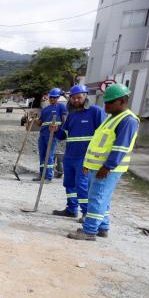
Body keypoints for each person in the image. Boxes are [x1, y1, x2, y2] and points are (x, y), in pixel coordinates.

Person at [67, 84, 139, 241]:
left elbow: (120, 148)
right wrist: (88, 164)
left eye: (109, 102)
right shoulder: (112, 118)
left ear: (121, 101)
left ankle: (89, 231)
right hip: (97, 166)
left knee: (96, 198)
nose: (105, 105)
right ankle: (102, 227)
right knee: (102, 198)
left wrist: (107, 167)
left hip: (107, 169)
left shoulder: (127, 120)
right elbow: (98, 144)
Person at [52, 84, 105, 219]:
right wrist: (55, 130)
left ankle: (87, 213)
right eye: (73, 98)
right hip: (70, 156)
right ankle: (71, 209)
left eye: (79, 97)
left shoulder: (95, 111)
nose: (76, 100)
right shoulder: (71, 115)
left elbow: (104, 134)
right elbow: (62, 136)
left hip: (85, 157)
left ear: (85, 96)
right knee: (69, 184)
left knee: (82, 186)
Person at [34, 88, 67, 181]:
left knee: (49, 155)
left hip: (53, 135)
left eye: (54, 97)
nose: (52, 99)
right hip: (43, 134)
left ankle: (48, 176)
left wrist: (62, 132)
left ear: (58, 97)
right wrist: (33, 118)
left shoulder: (61, 107)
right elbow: (39, 123)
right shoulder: (45, 109)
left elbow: (64, 121)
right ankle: (42, 174)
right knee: (42, 155)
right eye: (51, 97)